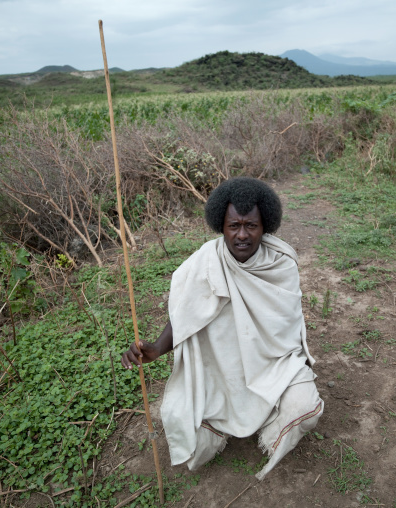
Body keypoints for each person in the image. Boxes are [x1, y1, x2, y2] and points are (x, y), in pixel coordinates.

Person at [121, 177, 323, 480]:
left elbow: (287, 332)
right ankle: (221, 425)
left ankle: (268, 427)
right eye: (233, 226)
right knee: (184, 423)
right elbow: (185, 314)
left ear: (264, 225)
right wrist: (157, 348)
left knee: (305, 407)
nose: (242, 235)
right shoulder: (205, 262)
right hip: (220, 373)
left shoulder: (281, 264)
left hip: (275, 368)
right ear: (222, 226)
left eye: (251, 226)